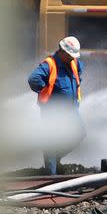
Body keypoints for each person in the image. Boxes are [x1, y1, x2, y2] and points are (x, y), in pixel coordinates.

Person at [28, 36, 86, 175]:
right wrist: (47, 89)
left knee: (79, 134)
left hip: (71, 110)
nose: (73, 58)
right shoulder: (50, 64)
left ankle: (57, 158)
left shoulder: (74, 63)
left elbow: (79, 74)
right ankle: (50, 179)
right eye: (70, 55)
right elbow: (33, 79)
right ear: (63, 52)